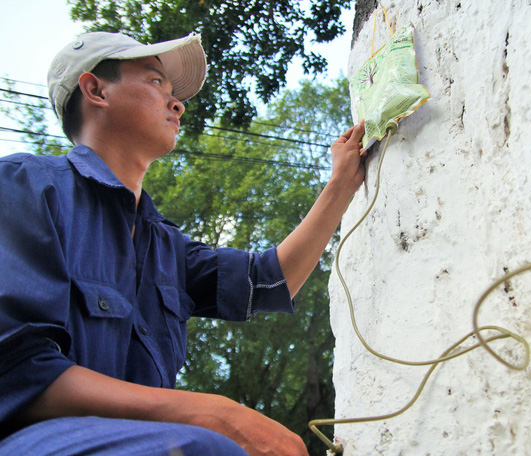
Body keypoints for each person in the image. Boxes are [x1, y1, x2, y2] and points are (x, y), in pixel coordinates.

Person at [0, 31, 366, 456]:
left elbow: (270, 280)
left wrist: (341, 183)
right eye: (157, 83)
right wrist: (214, 413)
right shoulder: (24, 186)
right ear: (95, 90)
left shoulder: (166, 247)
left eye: (175, 92)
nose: (177, 104)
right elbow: (17, 368)